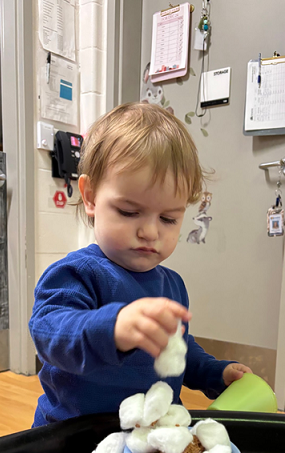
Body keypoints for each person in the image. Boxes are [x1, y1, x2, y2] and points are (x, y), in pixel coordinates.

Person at [29, 102, 251, 427]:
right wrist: (113, 328)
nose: (149, 231)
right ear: (90, 197)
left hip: (150, 440)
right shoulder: (77, 274)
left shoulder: (171, 285)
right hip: (73, 437)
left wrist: (213, 373)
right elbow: (49, 333)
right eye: (129, 212)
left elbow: (177, 350)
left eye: (168, 218)